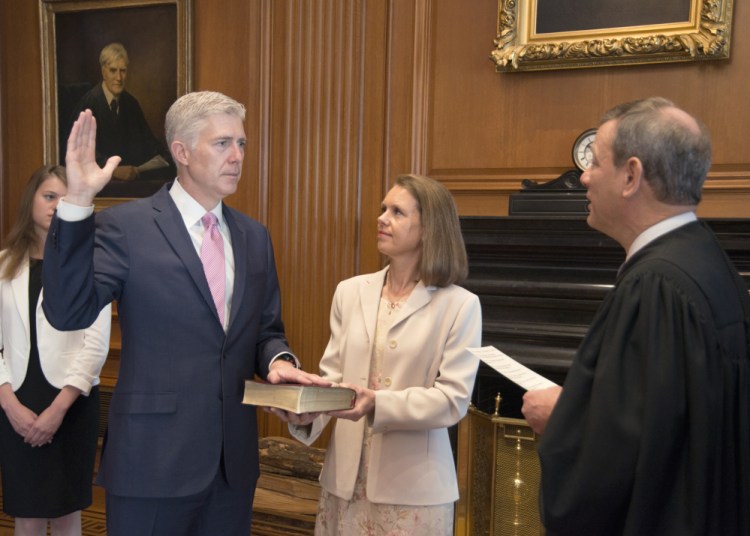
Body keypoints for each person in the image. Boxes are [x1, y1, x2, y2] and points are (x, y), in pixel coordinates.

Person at [42, 91, 328, 536]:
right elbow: (67, 311)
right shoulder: (126, 227)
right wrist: (77, 202)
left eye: (242, 144)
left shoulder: (255, 237)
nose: (237, 156)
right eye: (222, 144)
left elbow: (265, 332)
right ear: (181, 152)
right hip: (151, 462)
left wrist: (280, 364)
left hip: (231, 468)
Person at [521, 97, 750, 535]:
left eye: (596, 163)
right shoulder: (703, 259)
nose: (584, 177)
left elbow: (622, 462)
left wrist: (564, 418)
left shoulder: (658, 287)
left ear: (631, 175)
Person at [281, 174, 482, 535]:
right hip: (344, 487)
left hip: (415, 495)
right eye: (382, 208)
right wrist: (304, 410)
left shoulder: (461, 306)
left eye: (397, 212)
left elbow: (453, 401)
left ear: (428, 228)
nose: (382, 218)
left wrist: (377, 402)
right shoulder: (350, 291)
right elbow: (333, 379)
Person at [0, 165, 111, 536]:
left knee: (67, 515)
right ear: (30, 200)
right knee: (26, 515)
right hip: (16, 399)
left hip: (71, 401)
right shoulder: (2, 265)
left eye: (66, 199)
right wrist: (9, 404)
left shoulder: (91, 265)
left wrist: (57, 410)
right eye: (49, 196)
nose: (56, 205)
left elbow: (95, 345)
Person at [67, 42, 172, 183]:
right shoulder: (89, 104)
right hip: (98, 186)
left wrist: (167, 156)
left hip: (130, 185)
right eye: (113, 70)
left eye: (122, 70)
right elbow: (78, 150)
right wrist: (114, 170)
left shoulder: (131, 104)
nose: (119, 78)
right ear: (103, 72)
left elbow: (148, 142)